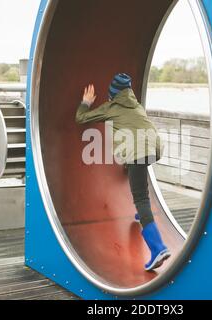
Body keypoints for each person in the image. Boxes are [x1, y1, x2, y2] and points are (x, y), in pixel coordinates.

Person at [75, 73, 171, 271]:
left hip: (139, 152)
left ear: (113, 94)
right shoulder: (137, 106)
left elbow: (81, 118)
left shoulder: (111, 108)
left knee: (141, 198)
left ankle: (158, 248)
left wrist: (85, 102)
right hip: (156, 149)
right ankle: (142, 215)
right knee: (138, 171)